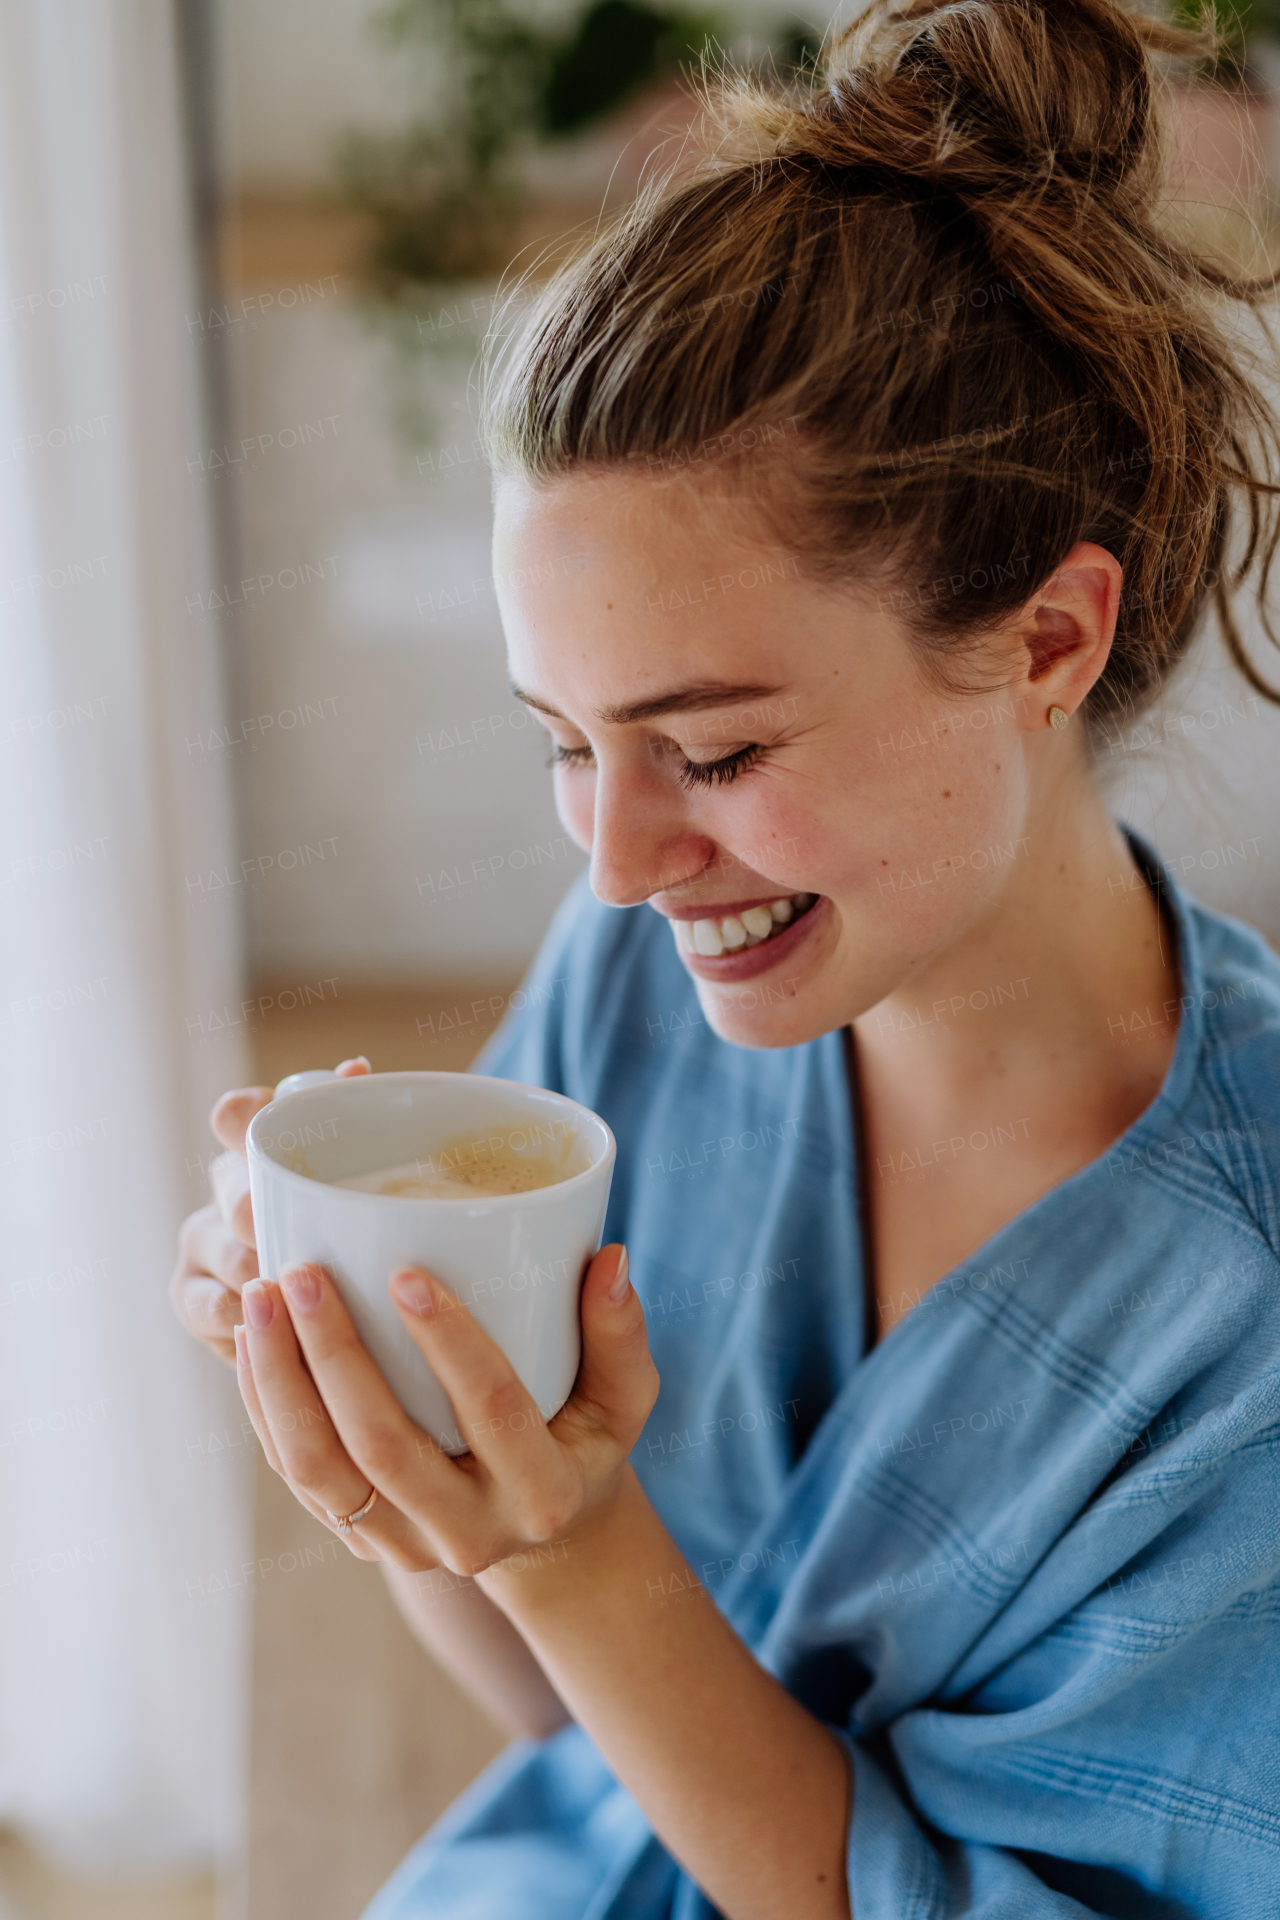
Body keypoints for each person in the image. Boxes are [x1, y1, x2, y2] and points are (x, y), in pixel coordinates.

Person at [171, 2, 1280, 1913]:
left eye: (719, 752)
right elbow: (566, 1729)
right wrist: (408, 1456)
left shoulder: (1238, 1307)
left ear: (1046, 642)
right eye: (563, 743)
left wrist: (581, 1549)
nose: (613, 863)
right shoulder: (641, 1000)